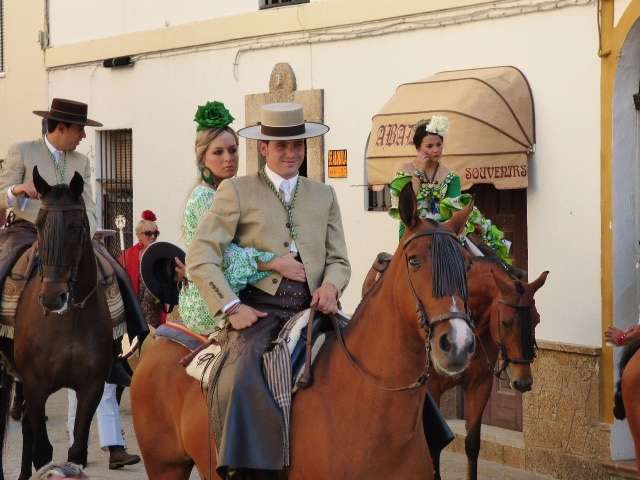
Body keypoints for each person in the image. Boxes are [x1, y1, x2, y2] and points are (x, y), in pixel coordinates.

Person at [187, 102, 350, 479]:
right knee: (240, 377)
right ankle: (242, 470)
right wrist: (231, 307)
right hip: (259, 311)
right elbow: (201, 255)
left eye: (297, 145)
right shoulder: (236, 191)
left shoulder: (324, 194)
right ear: (263, 148)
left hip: (315, 308)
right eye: (281, 146)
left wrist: (330, 286)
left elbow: (339, 259)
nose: (291, 153)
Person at [179, 100, 306, 335]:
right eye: (218, 152)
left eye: (233, 150)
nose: (228, 158)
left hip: (245, 290)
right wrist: (276, 263)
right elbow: (227, 256)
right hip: (212, 300)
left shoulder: (238, 191)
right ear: (203, 158)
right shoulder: (203, 198)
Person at [389, 116, 511, 261]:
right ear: (418, 148)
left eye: (439, 144)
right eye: (429, 146)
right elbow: (406, 206)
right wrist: (418, 174)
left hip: (442, 233)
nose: (436, 150)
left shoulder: (451, 178)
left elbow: (454, 212)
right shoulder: (405, 172)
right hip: (412, 232)